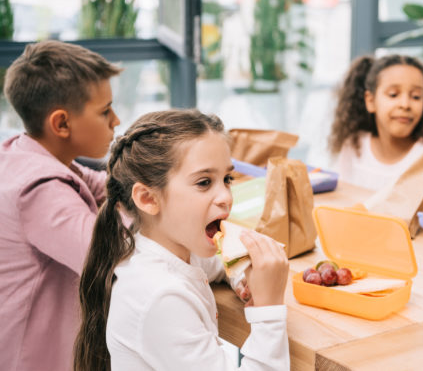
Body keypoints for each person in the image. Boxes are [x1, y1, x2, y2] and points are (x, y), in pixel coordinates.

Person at [73, 109, 290, 371]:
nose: (226, 197)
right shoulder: (161, 297)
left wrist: (241, 276)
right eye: (204, 182)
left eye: (227, 179)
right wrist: (268, 310)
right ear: (148, 199)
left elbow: (213, 265)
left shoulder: (167, 248)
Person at [0, 40, 121, 371]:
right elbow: (111, 256)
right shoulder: (39, 189)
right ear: (61, 124)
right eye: (105, 111)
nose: (116, 120)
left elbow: (112, 189)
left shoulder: (28, 154)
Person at [328, 54, 423, 209]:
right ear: (371, 101)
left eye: (416, 97)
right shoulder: (355, 145)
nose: (405, 104)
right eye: (393, 94)